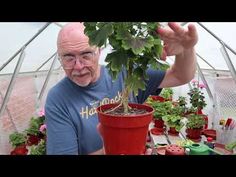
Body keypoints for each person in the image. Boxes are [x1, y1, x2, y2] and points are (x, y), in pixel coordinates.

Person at [45, 22, 198, 155]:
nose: (78, 66)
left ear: (99, 50)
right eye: (68, 57)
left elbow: (180, 75)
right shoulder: (58, 99)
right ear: (60, 57)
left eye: (86, 55)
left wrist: (185, 50)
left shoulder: (125, 71)